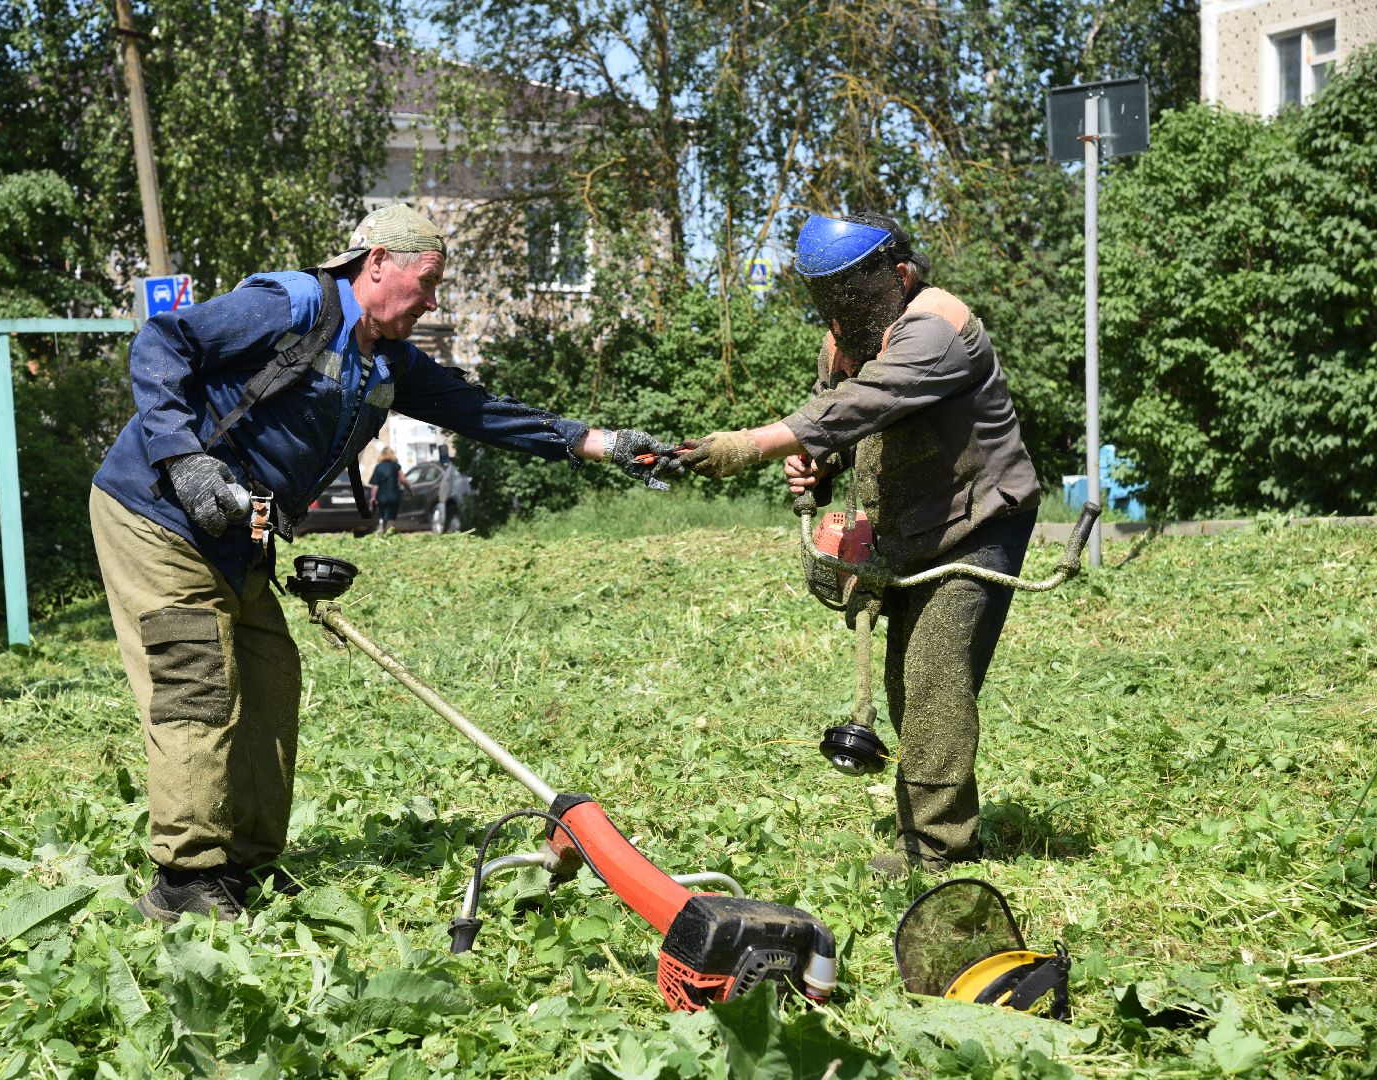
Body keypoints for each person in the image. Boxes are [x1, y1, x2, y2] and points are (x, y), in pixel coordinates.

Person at [91, 204, 677, 922]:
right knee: (197, 681)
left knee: (271, 677)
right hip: (154, 510)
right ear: (376, 265)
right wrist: (182, 457)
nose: (433, 300)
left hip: (234, 536)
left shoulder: (388, 361)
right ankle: (186, 881)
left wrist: (601, 444)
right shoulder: (290, 304)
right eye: (426, 282)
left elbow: (480, 410)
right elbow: (162, 340)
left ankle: (243, 865)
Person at [671, 212, 1040, 877]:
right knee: (906, 685)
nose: (845, 315)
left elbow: (860, 405)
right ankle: (927, 827)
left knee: (934, 683)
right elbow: (836, 425)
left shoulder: (937, 327)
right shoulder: (843, 342)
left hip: (979, 524)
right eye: (831, 299)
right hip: (908, 525)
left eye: (858, 295)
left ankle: (938, 857)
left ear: (899, 275)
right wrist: (818, 462)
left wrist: (753, 445)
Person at [367, 446, 412, 532]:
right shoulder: (396, 466)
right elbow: (403, 480)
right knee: (391, 516)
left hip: (381, 496)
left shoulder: (378, 467)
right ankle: (389, 532)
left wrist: (373, 497)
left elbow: (375, 485)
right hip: (394, 495)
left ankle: (383, 531)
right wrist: (410, 491)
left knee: (383, 515)